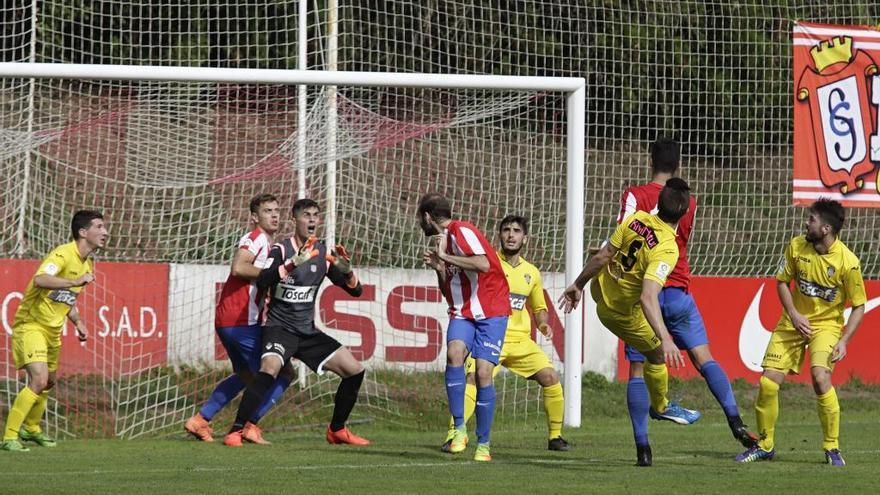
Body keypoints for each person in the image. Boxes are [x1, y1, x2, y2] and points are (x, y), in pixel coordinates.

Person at [614, 138, 757, 451]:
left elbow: (624, 236)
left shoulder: (634, 196)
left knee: (637, 370)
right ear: (678, 164)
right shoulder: (689, 201)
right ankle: (735, 420)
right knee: (704, 359)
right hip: (677, 290)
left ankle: (643, 448)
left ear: (650, 159)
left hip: (643, 294)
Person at [559, 179, 691, 467]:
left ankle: (645, 442)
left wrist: (578, 284)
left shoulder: (636, 220)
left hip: (600, 291)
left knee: (644, 359)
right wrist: (666, 337)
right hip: (621, 313)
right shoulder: (668, 248)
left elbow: (603, 255)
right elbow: (647, 296)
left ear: (659, 202)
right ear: (683, 213)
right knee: (656, 353)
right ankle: (661, 406)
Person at [223, 198, 369, 447]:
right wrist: (292, 264)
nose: (312, 220)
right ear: (295, 219)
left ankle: (337, 430)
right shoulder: (281, 250)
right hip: (279, 328)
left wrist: (347, 271)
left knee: (354, 371)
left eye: (315, 215)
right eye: (306, 215)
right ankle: (236, 431)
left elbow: (356, 291)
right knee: (269, 369)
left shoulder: (323, 253)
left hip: (306, 332)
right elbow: (264, 281)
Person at [736, 199, 865, 466]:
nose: (806, 223)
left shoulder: (848, 262)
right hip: (791, 323)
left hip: (826, 327)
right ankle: (765, 445)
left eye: (812, 220)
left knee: (820, 378)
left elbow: (859, 306)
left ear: (826, 228)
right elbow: (782, 283)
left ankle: (832, 447)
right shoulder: (796, 246)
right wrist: (794, 315)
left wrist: (844, 340)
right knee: (767, 382)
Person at [435, 215, 569, 452]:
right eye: (506, 230)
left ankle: (555, 437)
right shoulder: (487, 262)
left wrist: (543, 324)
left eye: (516, 231)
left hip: (519, 341)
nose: (511, 235)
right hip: (490, 333)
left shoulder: (532, 273)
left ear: (524, 238)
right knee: (472, 379)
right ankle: (454, 434)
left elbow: (539, 308)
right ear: (499, 235)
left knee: (551, 377)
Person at [184, 193, 293, 444]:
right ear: (255, 216)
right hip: (240, 319)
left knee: (247, 376)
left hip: (233, 320)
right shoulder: (255, 238)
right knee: (281, 372)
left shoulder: (267, 244)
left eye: (276, 210)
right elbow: (239, 267)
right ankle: (249, 425)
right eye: (267, 211)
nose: (274, 215)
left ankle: (201, 420)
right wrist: (273, 274)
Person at [1, 210, 108, 452]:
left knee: (48, 381)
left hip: (52, 329)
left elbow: (65, 298)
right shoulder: (62, 254)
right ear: (83, 232)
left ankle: (32, 428)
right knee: (38, 379)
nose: (105, 232)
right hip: (31, 325)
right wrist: (74, 281)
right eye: (99, 227)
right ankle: (9, 436)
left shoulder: (87, 262)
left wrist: (78, 322)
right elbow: (40, 279)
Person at [419, 193, 510, 462]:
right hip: (463, 312)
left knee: (483, 373)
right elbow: (451, 292)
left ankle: (484, 444)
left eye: (419, 218)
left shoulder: (463, 230)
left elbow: (482, 263)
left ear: (427, 217)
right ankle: (459, 430)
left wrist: (446, 256)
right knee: (454, 353)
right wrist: (440, 268)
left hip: (492, 311)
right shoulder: (443, 240)